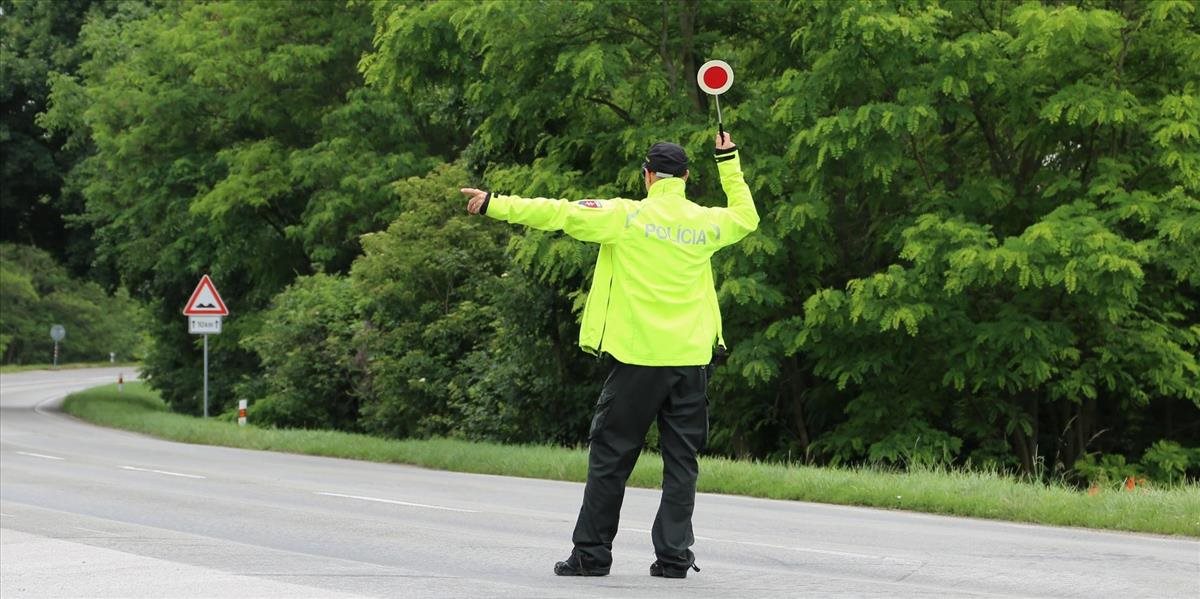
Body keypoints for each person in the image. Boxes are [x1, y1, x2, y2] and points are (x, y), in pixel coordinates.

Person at [459, 131, 757, 578]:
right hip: (691, 362)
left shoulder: (625, 216)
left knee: (611, 457)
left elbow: (556, 213)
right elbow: (746, 215)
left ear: (648, 176)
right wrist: (728, 160)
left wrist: (493, 202)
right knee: (682, 462)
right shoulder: (706, 222)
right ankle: (675, 558)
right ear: (687, 177)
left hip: (638, 361)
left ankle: (592, 556)